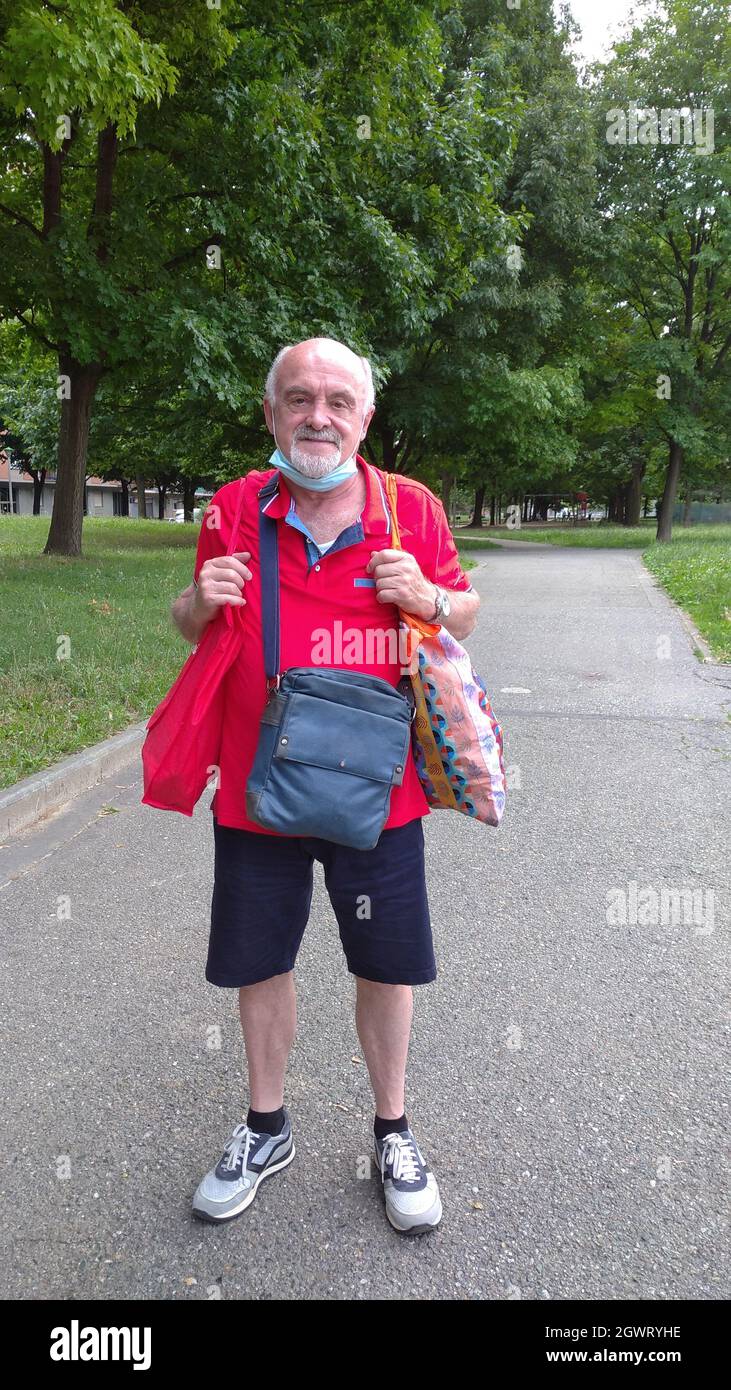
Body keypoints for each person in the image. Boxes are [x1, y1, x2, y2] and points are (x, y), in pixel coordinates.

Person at [170, 336, 479, 1234]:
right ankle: (266, 1128)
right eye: (298, 399)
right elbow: (189, 624)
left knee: (385, 965)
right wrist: (199, 600)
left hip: (376, 794)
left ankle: (393, 1130)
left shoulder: (409, 508)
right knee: (258, 960)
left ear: (365, 418)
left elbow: (465, 610)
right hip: (260, 790)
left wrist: (426, 594)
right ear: (270, 414)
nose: (318, 416)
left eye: (338, 401)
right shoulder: (232, 507)